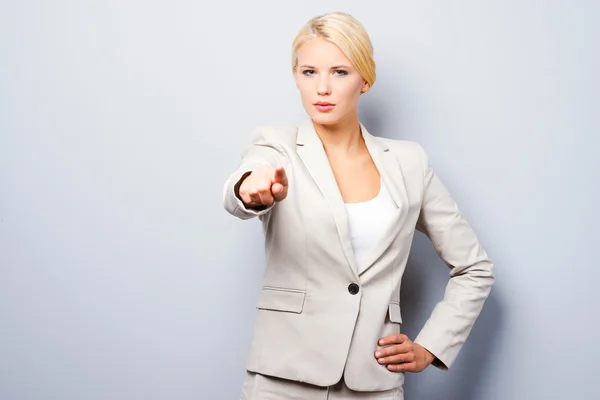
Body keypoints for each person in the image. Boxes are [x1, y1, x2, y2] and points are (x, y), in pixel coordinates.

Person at [222, 11, 494, 400]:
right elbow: (247, 179)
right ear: (296, 77)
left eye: (340, 72)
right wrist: (251, 190)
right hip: (282, 380)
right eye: (309, 72)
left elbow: (475, 268)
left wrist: (430, 346)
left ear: (365, 79)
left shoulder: (409, 163)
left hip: (374, 383)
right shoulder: (276, 144)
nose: (323, 89)